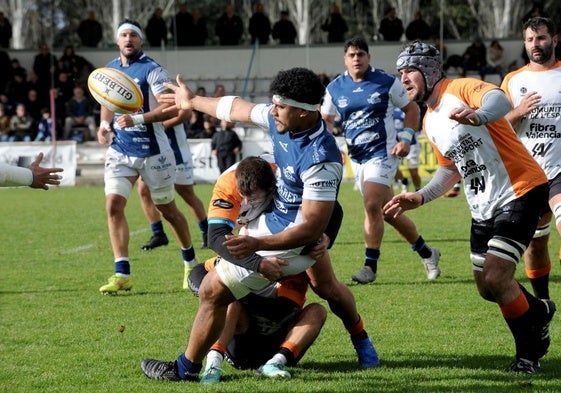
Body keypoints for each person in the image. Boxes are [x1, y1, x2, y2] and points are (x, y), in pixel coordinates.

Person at [140, 68, 380, 382]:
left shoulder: (322, 158)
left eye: (280, 107)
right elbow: (237, 107)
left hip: (295, 239)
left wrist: (258, 246)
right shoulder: (284, 119)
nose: (273, 111)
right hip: (277, 225)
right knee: (325, 287)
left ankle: (184, 370)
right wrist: (193, 100)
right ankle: (363, 343)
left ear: (304, 113)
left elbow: (310, 227)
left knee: (214, 290)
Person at [391, 40, 555, 373]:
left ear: (430, 70)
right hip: (483, 206)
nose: (404, 78)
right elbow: (450, 169)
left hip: (520, 189)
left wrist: (478, 115)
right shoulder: (428, 121)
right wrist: (420, 196)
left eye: (409, 71)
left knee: (497, 275)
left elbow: (498, 99)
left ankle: (528, 355)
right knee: (486, 288)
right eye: (400, 73)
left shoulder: (460, 88)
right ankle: (538, 311)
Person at [320, 37, 440, 283]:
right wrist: (327, 141)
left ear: (368, 57)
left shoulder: (386, 81)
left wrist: (406, 138)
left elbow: (412, 109)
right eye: (352, 55)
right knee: (387, 212)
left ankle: (370, 266)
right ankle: (428, 253)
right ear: (345, 59)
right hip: (358, 157)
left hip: (383, 153)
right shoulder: (334, 88)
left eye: (361, 54)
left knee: (372, 204)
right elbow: (326, 119)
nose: (356, 59)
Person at [96, 19, 196, 295]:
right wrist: (104, 126)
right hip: (120, 151)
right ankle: (122, 273)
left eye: (133, 35)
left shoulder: (153, 70)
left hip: (154, 154)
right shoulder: (110, 71)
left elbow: (171, 107)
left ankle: (190, 264)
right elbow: (107, 104)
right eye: (124, 35)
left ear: (140, 40)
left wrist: (138, 119)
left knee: (169, 211)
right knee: (113, 205)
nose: (128, 39)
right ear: (117, 41)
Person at [189, 260, 327, 383]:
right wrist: (210, 294)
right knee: (229, 301)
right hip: (242, 345)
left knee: (317, 310)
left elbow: (278, 311)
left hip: (278, 342)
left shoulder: (296, 267)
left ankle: (276, 362)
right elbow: (198, 271)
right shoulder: (244, 254)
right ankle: (213, 364)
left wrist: (236, 290)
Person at [501, 17, 560, 301]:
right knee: (536, 245)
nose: (535, 45)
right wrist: (518, 111)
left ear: (555, 40)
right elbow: (498, 127)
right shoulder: (513, 80)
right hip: (529, 175)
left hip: (560, 171)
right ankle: (544, 303)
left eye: (541, 38)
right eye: (530, 40)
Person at [138, 121, 209, 256]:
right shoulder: (145, 99)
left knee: (186, 193)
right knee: (143, 191)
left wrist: (155, 124)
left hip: (177, 150)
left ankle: (207, 233)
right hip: (153, 150)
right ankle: (158, 234)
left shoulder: (171, 98)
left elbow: (184, 114)